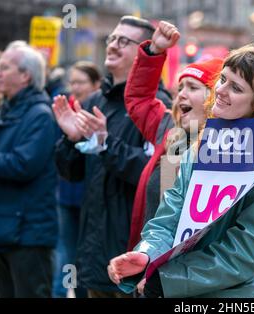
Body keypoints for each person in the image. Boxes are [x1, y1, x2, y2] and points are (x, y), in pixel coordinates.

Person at [108, 21, 254, 298]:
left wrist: (170, 280)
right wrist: (146, 253)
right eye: (223, 79)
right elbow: (171, 217)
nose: (220, 90)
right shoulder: (202, 147)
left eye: (236, 88)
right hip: (194, 290)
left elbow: (247, 251)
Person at [53, 16, 172, 298]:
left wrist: (106, 145)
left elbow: (153, 172)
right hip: (94, 255)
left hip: (129, 258)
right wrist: (70, 142)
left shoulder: (157, 105)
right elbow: (72, 173)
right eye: (112, 39)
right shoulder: (95, 101)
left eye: (124, 41)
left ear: (144, 51)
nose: (114, 46)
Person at [123, 22, 224, 252]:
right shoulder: (170, 130)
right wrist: (154, 52)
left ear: (216, 97)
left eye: (192, 87)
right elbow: (139, 99)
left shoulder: (232, 145)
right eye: (179, 89)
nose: (180, 96)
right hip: (150, 265)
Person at [0, 44, 58, 297]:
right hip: (5, 229)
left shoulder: (40, 115)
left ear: (25, 76)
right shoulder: (5, 110)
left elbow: (23, 165)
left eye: (4, 67)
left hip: (28, 234)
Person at [52, 61, 101, 298]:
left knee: (83, 256)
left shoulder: (99, 112)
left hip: (87, 197)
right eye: (72, 82)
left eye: (81, 82)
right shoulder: (64, 110)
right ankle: (60, 292)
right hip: (65, 194)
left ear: (96, 84)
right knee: (65, 252)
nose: (75, 87)